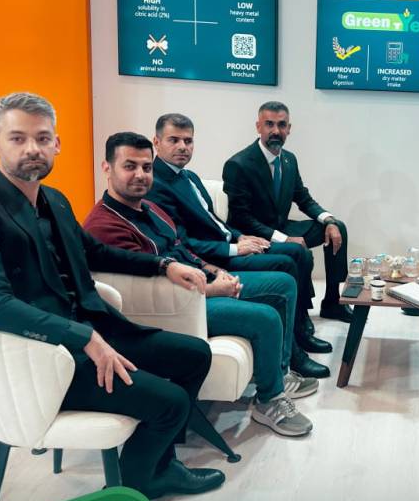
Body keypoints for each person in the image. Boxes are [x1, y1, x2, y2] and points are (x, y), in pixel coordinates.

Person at [0, 93, 222, 501]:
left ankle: (158, 468)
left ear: (56, 144)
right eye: (18, 138)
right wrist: (81, 337)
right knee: (169, 402)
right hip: (42, 358)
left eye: (42, 138)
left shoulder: (53, 200)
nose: (32, 148)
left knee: (194, 354)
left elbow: (94, 252)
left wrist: (163, 264)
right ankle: (128, 499)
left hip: (92, 331)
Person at [83, 132, 316, 437]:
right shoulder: (104, 226)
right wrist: (212, 289)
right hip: (174, 309)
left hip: (198, 286)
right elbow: (146, 287)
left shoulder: (149, 208)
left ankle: (277, 375)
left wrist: (215, 271)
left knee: (282, 284)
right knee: (266, 317)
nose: (140, 175)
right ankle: (269, 400)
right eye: (130, 166)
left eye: (146, 167)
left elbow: (182, 249)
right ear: (107, 168)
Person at [146, 112, 331, 379]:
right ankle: (292, 353)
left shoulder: (189, 176)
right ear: (157, 142)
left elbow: (215, 221)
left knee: (297, 252)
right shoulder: (156, 185)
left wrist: (239, 237)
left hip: (227, 244)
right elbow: (183, 243)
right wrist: (234, 248)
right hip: (212, 258)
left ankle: (299, 330)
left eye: (188, 141)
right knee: (287, 260)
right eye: (174, 140)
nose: (183, 147)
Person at [223, 101, 353, 324]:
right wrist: (285, 239)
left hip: (281, 226)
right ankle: (301, 316)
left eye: (281, 125)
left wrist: (328, 219)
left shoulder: (289, 159)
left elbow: (303, 198)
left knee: (337, 228)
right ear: (258, 126)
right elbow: (241, 218)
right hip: (254, 234)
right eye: (269, 124)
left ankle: (333, 302)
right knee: (302, 253)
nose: (276, 131)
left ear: (289, 129)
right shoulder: (239, 164)